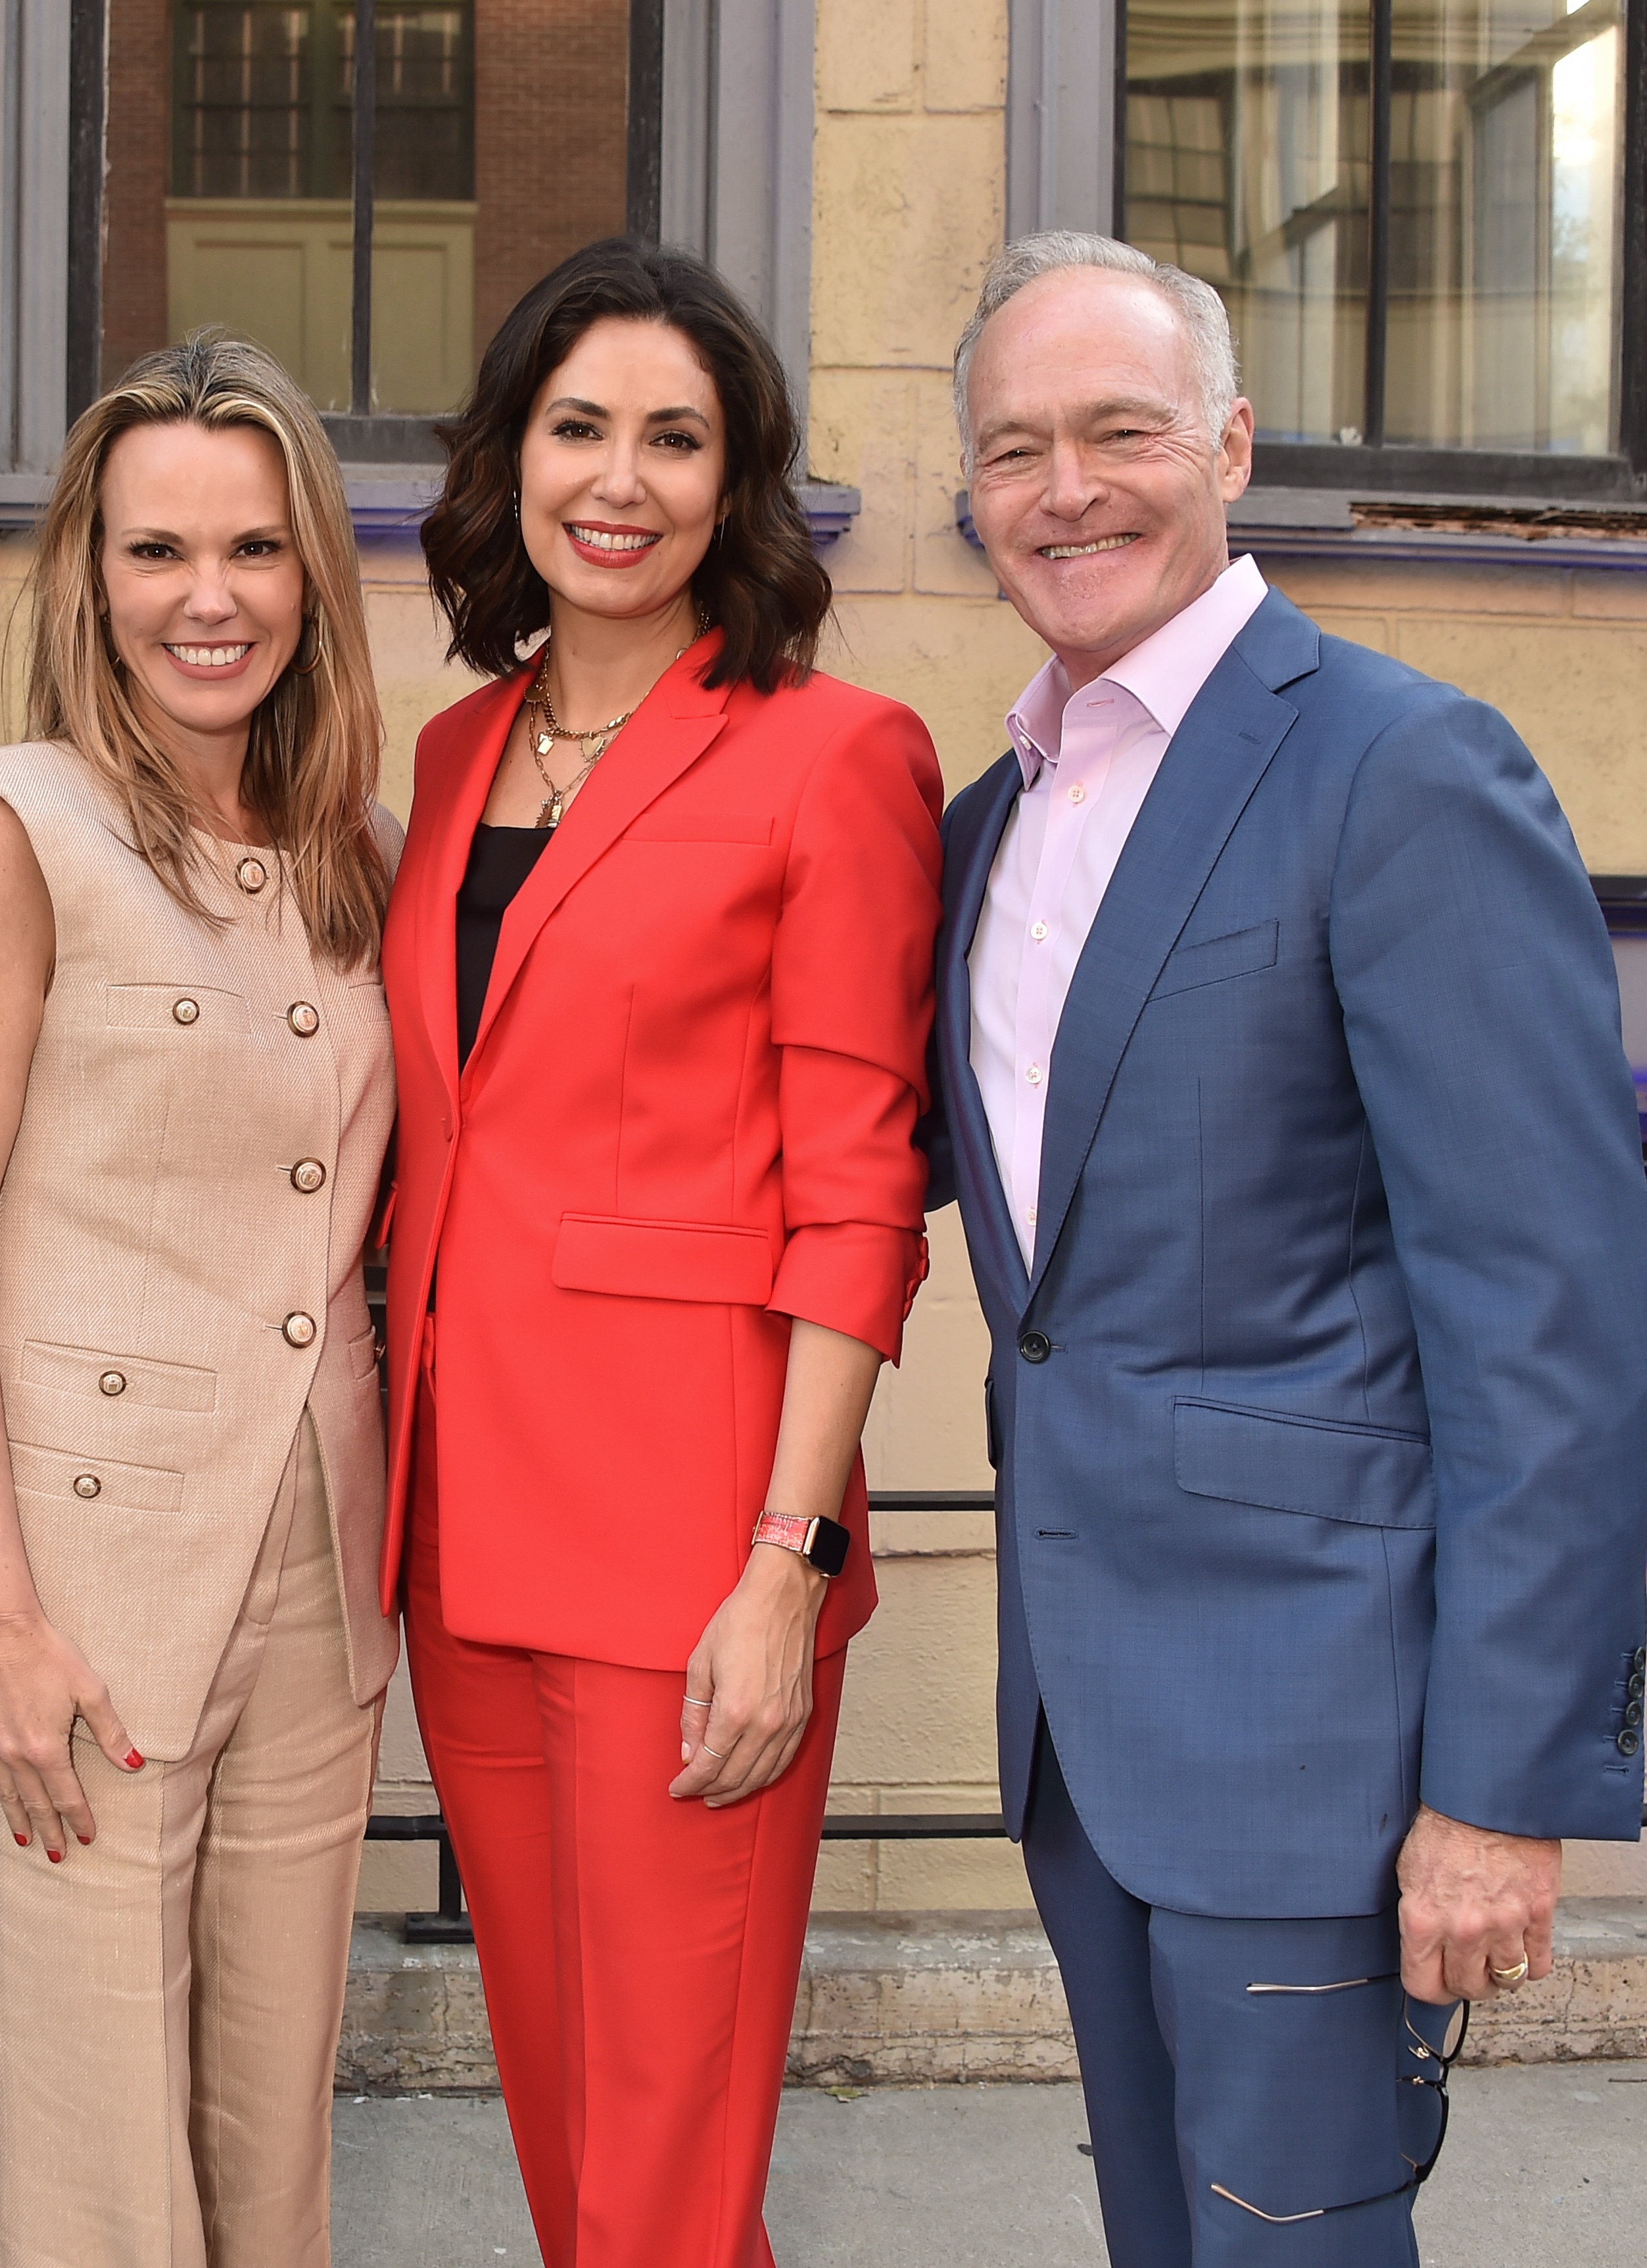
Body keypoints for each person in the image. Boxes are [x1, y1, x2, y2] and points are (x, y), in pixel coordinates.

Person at [931, 231, 1647, 2263]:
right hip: (1086, 1730)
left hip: (1322, 1740)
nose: (1066, 487)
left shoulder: (1403, 767)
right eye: (1014, 449)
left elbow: (1549, 1318)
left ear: (1231, 446)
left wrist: (1501, 1786)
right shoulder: (998, 818)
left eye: (1119, 432)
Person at [379, 237, 944, 2266]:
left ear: (740, 478)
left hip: (691, 1545)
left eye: (676, 437)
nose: (621, 479)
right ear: (512, 456)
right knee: (565, 2123)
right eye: (580, 425)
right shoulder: (457, 759)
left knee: (672, 2157)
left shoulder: (833, 751)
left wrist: (784, 1570)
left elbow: (857, 1184)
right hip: (461, 1537)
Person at [0, 334, 400, 2267]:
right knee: (96, 2179)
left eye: (256, 551)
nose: (209, 598)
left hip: (322, 1577)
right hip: (84, 1588)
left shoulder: (356, 852)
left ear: (313, 578)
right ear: (91, 576)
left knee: (270, 2154)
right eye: (159, 550)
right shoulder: (8, 828)